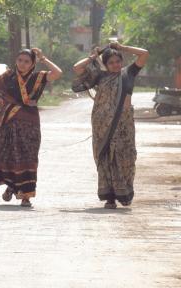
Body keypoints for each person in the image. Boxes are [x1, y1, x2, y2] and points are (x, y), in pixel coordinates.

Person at [72, 42, 149, 209]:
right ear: (105, 65)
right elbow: (77, 68)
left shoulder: (128, 73)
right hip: (102, 124)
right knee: (106, 157)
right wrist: (94, 55)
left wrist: (122, 47)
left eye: (117, 61)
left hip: (124, 124)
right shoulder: (100, 77)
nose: (115, 65)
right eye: (111, 62)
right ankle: (110, 197)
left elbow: (144, 53)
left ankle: (125, 192)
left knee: (125, 157)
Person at [0, 48, 62, 207]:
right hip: (8, 123)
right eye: (20, 60)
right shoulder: (7, 77)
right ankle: (12, 187)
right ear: (15, 61)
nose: (22, 64)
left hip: (29, 124)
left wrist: (43, 58)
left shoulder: (37, 77)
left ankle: (26, 196)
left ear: (33, 63)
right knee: (6, 155)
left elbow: (58, 73)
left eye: (27, 61)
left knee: (28, 158)